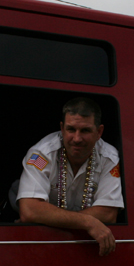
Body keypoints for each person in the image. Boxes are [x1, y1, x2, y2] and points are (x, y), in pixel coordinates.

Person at [16, 97, 123, 256]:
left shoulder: (109, 158)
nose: (77, 139)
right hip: (42, 246)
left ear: (99, 132)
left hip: (88, 249)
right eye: (71, 129)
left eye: (85, 130)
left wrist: (51, 217)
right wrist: (88, 222)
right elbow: (29, 210)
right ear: (62, 128)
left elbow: (108, 214)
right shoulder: (41, 154)